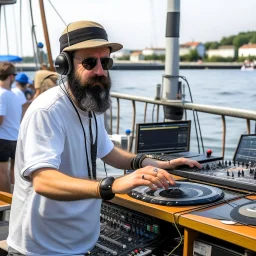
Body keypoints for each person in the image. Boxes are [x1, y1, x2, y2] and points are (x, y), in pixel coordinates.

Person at [7, 20, 201, 255]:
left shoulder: (91, 104)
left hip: (79, 243)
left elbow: (107, 151)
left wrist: (152, 163)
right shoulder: (47, 111)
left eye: (105, 61)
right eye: (89, 62)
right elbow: (43, 180)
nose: (100, 70)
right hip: (42, 248)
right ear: (65, 66)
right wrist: (113, 185)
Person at [0, 62, 23, 193]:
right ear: (11, 77)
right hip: (15, 138)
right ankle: (16, 199)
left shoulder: (1, 94)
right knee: (14, 172)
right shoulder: (16, 95)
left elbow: (0, 120)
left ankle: (6, 203)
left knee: (2, 172)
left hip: (2, 138)